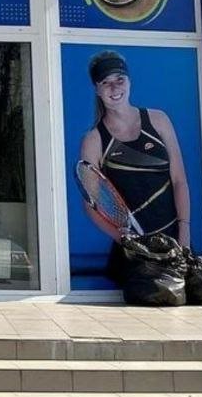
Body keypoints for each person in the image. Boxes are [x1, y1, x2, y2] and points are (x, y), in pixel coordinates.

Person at [78, 50, 191, 275]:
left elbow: (179, 180)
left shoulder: (159, 120)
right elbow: (91, 205)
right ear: (97, 90)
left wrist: (184, 233)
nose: (114, 88)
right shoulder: (94, 140)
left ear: (129, 81)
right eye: (105, 82)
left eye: (119, 79)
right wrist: (124, 239)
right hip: (133, 254)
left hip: (175, 242)